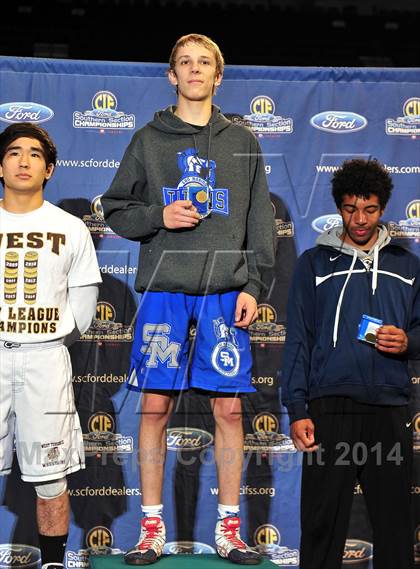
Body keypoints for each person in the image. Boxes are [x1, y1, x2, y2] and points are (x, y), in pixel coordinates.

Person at [102, 33, 275, 565]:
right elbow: (115, 208)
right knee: (155, 407)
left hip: (224, 292)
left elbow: (260, 221)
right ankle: (151, 529)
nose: (195, 70)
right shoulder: (149, 139)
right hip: (165, 291)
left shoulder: (242, 140)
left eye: (205, 63)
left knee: (227, 410)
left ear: (218, 77)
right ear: (171, 75)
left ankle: (229, 530)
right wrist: (160, 216)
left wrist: (254, 285)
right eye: (185, 62)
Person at [282, 157, 419, 569]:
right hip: (330, 408)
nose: (359, 219)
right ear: (339, 206)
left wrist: (409, 341)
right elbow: (299, 341)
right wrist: (297, 409)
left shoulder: (408, 266)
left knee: (395, 528)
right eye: (349, 208)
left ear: (383, 208)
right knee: (322, 525)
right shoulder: (313, 263)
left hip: (389, 409)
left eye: (370, 209)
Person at [0, 122, 102, 569]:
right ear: (0, 165)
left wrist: (45, 340)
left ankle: (54, 563)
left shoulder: (71, 228)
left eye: (35, 154)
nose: (24, 161)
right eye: (14, 152)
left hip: (45, 359)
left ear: (50, 169)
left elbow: (83, 309)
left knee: (50, 478)